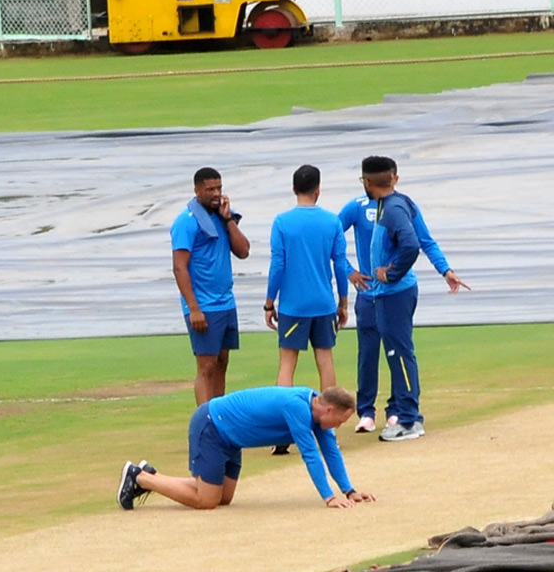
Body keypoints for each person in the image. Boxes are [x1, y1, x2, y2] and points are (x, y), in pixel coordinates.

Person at [340, 157, 470, 438]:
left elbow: (415, 243)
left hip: (393, 292)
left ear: (367, 182)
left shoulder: (395, 208)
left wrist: (392, 273)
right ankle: (387, 413)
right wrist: (445, 270)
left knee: (398, 352)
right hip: (381, 293)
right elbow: (423, 240)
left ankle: (408, 418)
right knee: (384, 352)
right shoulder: (387, 205)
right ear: (393, 178)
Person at [116, 385, 375, 510]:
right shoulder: (297, 407)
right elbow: (311, 454)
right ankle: (140, 478)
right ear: (329, 409)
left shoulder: (317, 410)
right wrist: (328, 497)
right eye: (339, 420)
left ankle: (151, 475)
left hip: (231, 439)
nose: (337, 426)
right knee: (206, 501)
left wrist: (349, 490)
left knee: (223, 499)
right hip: (212, 426)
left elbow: (330, 450)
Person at [264, 164, 351, 454]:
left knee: (287, 363)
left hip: (293, 305)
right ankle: (330, 428)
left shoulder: (282, 222)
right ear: (318, 189)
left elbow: (278, 264)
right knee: (324, 360)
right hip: (323, 303)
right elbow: (340, 264)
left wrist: (269, 301)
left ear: (293, 189)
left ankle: (283, 431)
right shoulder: (331, 222)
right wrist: (343, 300)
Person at [170, 167, 251, 406]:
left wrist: (228, 221)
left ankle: (220, 418)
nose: (216, 194)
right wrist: (194, 308)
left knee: (222, 362)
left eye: (219, 188)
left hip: (226, 302)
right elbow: (179, 267)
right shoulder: (186, 222)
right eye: (210, 189)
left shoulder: (222, 216)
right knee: (206, 366)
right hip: (203, 306)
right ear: (197, 190)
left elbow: (244, 251)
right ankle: (205, 423)